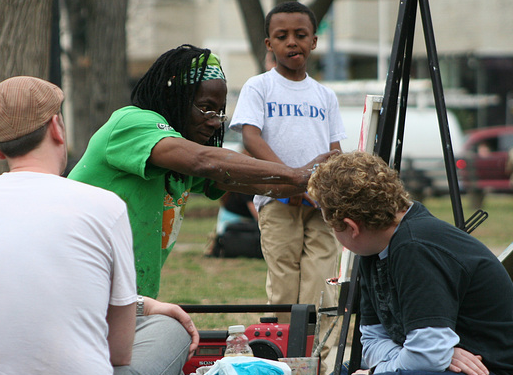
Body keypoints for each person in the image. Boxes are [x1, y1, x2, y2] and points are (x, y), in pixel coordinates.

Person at [0, 76, 197, 375]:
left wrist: (141, 305)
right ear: (56, 128)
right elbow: (119, 353)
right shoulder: (105, 206)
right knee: (169, 329)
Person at [273, 151, 513, 375]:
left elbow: (426, 354)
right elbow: (371, 342)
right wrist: (431, 357)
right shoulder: (375, 249)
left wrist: (380, 370)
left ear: (350, 226)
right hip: (447, 369)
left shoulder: (415, 247)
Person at [68, 44, 336, 299]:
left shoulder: (179, 157)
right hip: (76, 279)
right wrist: (295, 174)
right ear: (175, 98)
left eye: (220, 113)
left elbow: (261, 183)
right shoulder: (133, 123)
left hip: (121, 295)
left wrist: (318, 180)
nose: (213, 122)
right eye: (206, 108)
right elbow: (204, 160)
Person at [229, 1, 346, 371]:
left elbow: (335, 150)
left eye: (300, 35)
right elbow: (250, 136)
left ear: (314, 41)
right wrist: (290, 180)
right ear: (269, 43)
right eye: (282, 36)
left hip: (319, 204)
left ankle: (316, 362)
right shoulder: (259, 86)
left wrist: (313, 184)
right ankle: (278, 363)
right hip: (276, 200)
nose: (292, 42)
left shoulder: (325, 95)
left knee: (320, 283)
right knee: (283, 282)